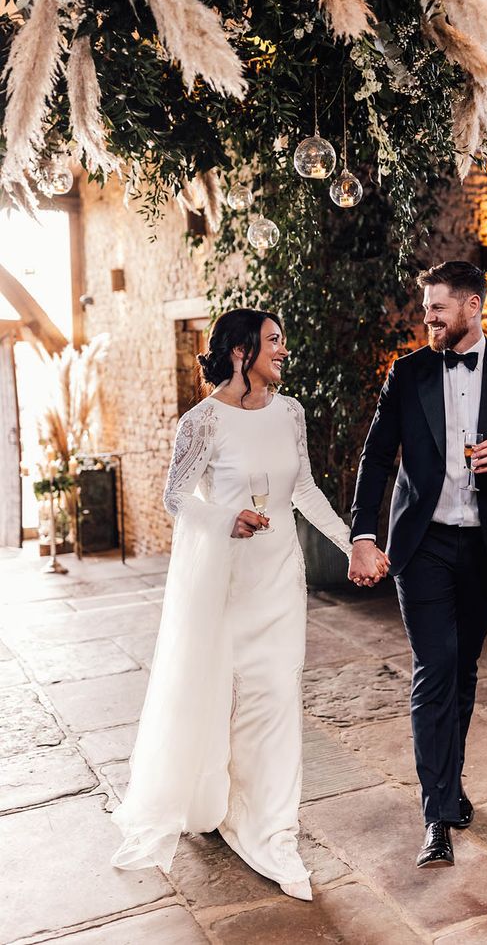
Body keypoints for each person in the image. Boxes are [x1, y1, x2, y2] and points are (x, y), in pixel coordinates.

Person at [111, 308, 387, 900]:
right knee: (225, 698)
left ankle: (272, 828)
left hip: (279, 580)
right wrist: (224, 518)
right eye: (273, 342)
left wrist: (352, 543)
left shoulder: (291, 413)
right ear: (241, 353)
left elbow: (305, 489)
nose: (284, 351)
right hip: (227, 582)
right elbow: (175, 498)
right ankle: (221, 802)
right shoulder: (201, 422)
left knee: (277, 696)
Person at [348, 261, 487, 869]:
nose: (429, 317)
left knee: (463, 671)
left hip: (483, 548)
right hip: (424, 547)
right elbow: (376, 455)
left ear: (473, 305)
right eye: (427, 308)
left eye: (438, 306)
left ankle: (450, 782)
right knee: (435, 669)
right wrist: (362, 533)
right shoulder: (408, 372)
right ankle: (436, 814)